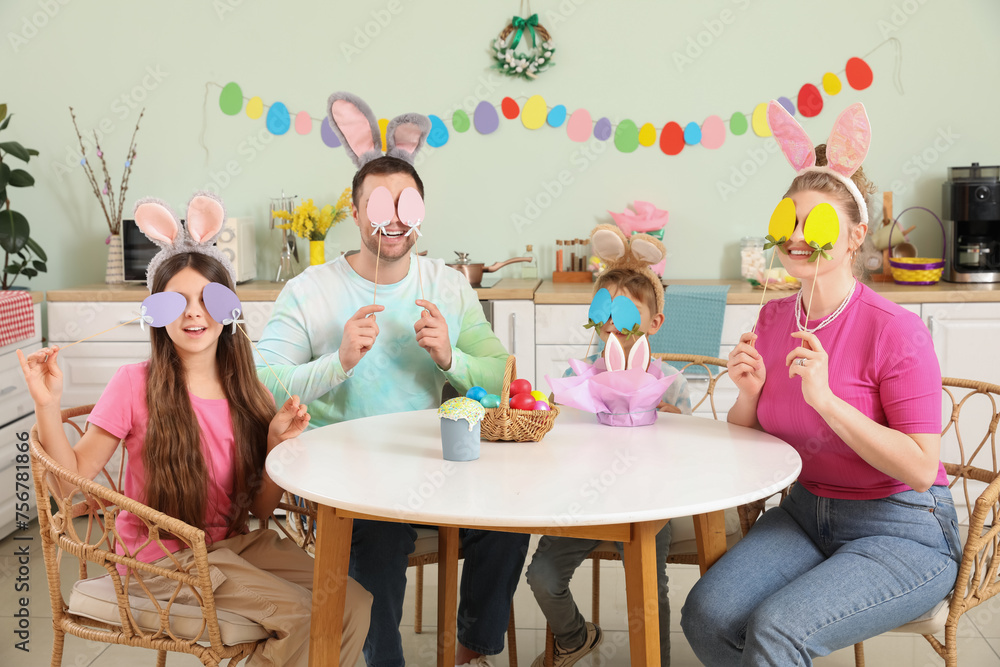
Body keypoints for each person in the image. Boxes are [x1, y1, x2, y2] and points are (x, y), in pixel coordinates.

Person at [18, 192, 372, 667]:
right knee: (302, 616)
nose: (193, 313)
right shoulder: (133, 385)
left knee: (352, 601)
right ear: (155, 313)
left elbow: (262, 508)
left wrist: (274, 444)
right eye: (176, 302)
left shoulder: (251, 391)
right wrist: (47, 405)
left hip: (233, 546)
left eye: (208, 299)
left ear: (229, 311)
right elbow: (69, 480)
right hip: (161, 561)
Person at [681, 102, 961, 666]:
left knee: (777, 631)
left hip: (902, 527)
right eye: (790, 222)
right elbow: (751, 442)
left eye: (819, 224)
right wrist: (750, 396)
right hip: (807, 512)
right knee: (706, 615)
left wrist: (828, 402)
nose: (800, 237)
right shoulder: (775, 319)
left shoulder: (896, 331)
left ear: (855, 236)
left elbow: (917, 466)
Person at [255, 92, 528, 667]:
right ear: (355, 213)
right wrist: (339, 363)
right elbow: (261, 382)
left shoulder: (448, 285)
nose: (395, 219)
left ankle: (471, 652)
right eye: (379, 205)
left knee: (509, 518)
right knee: (378, 541)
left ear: (421, 211)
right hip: (347, 474)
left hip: (437, 461)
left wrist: (451, 359)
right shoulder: (310, 290)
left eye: (407, 204)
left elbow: (500, 376)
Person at [526, 226, 692, 667]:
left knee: (648, 593)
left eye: (627, 314)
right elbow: (559, 441)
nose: (614, 325)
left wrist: (667, 414)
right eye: (605, 312)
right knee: (541, 575)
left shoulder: (670, 381)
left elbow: (690, 450)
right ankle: (574, 637)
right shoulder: (580, 376)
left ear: (655, 322)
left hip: (647, 505)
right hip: (587, 501)